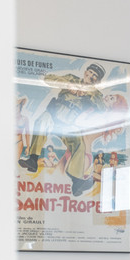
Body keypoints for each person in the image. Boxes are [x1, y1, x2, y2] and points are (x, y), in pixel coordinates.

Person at [18, 62, 109, 196]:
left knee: (79, 145)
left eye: (95, 75)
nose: (91, 76)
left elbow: (102, 109)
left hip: (68, 125)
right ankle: (33, 160)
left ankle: (76, 181)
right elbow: (48, 78)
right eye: (90, 72)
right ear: (85, 72)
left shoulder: (96, 94)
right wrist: (67, 85)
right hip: (53, 115)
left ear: (98, 81)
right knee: (41, 121)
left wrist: (90, 92)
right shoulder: (71, 78)